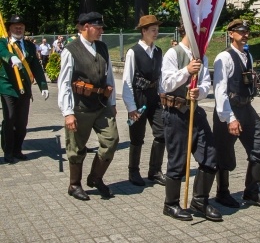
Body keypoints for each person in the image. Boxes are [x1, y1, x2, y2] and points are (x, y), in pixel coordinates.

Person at [161, 25, 222, 222]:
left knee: (210, 155)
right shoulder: (173, 53)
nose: (204, 36)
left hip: (195, 112)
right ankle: (171, 204)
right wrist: (186, 70)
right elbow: (166, 84)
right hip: (175, 113)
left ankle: (200, 200)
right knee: (178, 160)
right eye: (201, 32)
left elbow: (206, 84)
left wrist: (200, 92)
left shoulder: (202, 56)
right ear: (187, 29)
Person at [58, 12, 119, 201]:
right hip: (80, 107)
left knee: (111, 140)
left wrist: (113, 102)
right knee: (76, 147)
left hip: (101, 104)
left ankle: (95, 178)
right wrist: (68, 113)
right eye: (98, 27)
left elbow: (109, 77)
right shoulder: (71, 50)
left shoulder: (102, 47)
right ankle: (74, 185)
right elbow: (64, 83)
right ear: (85, 27)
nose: (101, 31)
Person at [213, 19, 260, 209]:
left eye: (247, 30)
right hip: (229, 108)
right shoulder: (224, 57)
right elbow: (219, 90)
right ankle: (222, 193)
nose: (245, 34)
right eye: (240, 31)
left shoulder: (248, 55)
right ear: (231, 33)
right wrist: (230, 118)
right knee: (224, 152)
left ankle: (252, 191)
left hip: (246, 107)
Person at [122, 15, 166, 186]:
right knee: (137, 136)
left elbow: (160, 77)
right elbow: (127, 81)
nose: (156, 33)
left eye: (157, 30)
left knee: (162, 133)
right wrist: (131, 107)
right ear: (144, 31)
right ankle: (133, 171)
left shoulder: (158, 51)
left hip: (154, 98)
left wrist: (162, 95)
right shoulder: (134, 52)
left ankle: (155, 170)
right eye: (153, 30)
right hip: (139, 99)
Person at [0, 15, 49, 163]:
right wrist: (10, 57)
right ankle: (8, 151)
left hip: (25, 89)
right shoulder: (4, 42)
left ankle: (17, 150)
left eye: (21, 26)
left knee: (22, 123)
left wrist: (43, 85)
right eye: (15, 26)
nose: (19, 28)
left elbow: (36, 67)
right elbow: (2, 52)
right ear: (9, 28)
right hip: (8, 87)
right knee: (9, 119)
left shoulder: (29, 46)